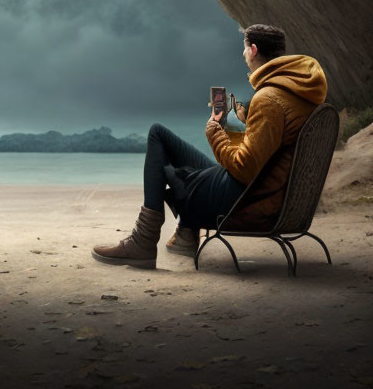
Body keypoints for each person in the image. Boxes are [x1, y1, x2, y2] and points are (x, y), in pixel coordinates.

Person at [91, 24, 327, 269]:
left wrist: (214, 129)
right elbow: (265, 154)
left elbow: (244, 168)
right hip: (263, 193)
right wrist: (241, 124)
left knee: (157, 135)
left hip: (244, 201)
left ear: (254, 50)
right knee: (178, 152)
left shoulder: (269, 99)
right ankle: (185, 235)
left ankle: (144, 240)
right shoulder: (298, 93)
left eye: (244, 49)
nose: (243, 55)